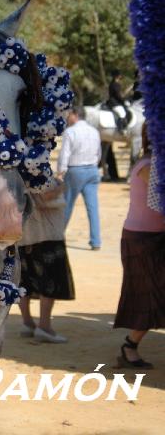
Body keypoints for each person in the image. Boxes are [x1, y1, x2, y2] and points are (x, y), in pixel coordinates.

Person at [114, 124, 164, 369]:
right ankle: (129, 346)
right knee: (148, 296)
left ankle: (130, 345)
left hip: (153, 238)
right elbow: (160, 203)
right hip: (143, 240)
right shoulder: (148, 166)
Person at [18, 178, 75, 343]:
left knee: (25, 281)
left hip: (23, 235)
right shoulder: (37, 168)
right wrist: (61, 188)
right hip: (47, 235)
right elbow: (43, 199)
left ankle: (27, 323)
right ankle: (44, 326)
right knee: (49, 281)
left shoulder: (12, 170)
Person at [58, 107, 102, 250]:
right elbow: (99, 153)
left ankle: (57, 236)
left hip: (75, 171)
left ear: (75, 115)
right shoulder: (94, 131)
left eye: (68, 115)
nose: (67, 117)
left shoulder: (70, 131)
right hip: (92, 170)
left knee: (67, 205)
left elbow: (65, 154)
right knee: (93, 207)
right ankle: (96, 241)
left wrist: (60, 171)